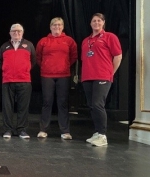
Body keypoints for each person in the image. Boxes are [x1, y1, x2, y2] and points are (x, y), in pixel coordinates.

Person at [81, 13, 122, 146]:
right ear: (90, 23)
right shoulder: (86, 40)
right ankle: (98, 132)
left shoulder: (110, 37)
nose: (96, 23)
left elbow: (118, 56)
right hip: (87, 76)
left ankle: (103, 135)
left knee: (98, 104)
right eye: (94, 21)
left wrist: (110, 72)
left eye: (99, 21)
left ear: (103, 23)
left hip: (102, 76)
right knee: (92, 105)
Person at [36, 17, 78, 140]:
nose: (57, 27)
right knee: (47, 102)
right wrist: (46, 66)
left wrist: (63, 66)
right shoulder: (43, 41)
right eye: (54, 25)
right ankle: (43, 130)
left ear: (63, 27)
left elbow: (74, 56)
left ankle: (65, 131)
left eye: (59, 25)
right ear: (50, 27)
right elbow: (38, 57)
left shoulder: (69, 41)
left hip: (63, 76)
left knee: (63, 103)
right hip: (47, 75)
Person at [0, 23, 36, 139]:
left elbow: (33, 61)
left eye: (19, 31)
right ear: (10, 33)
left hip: (24, 81)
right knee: (7, 107)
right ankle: (8, 130)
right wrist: (6, 70)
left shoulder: (29, 45)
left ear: (22, 33)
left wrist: (25, 69)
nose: (16, 33)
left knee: (23, 107)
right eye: (14, 31)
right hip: (8, 81)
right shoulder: (4, 46)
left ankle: (22, 130)